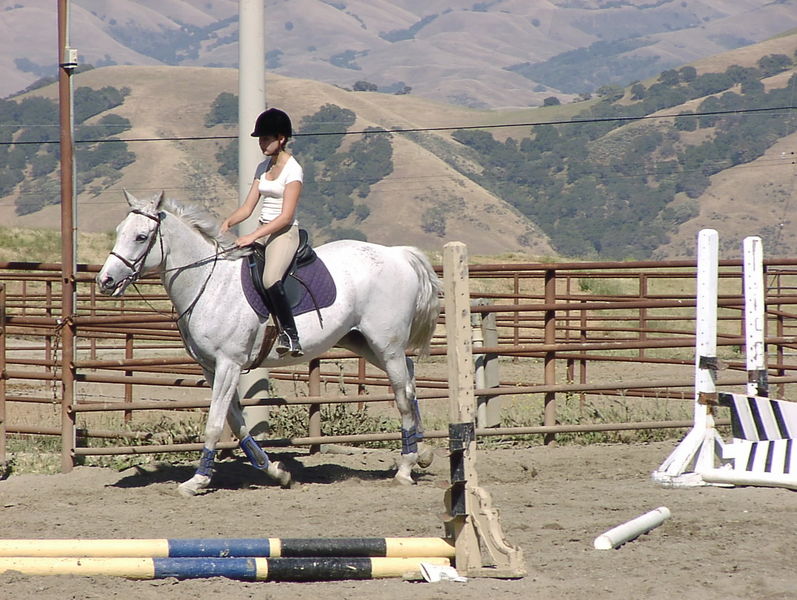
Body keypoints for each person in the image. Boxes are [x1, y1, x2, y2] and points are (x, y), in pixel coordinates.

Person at [221, 108, 304, 357]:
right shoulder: (262, 167)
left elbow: (286, 216)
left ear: (281, 138)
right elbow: (247, 208)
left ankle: (290, 335)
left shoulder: (294, 170)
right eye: (260, 139)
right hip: (262, 229)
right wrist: (226, 224)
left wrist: (252, 236)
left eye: (266, 139)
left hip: (284, 233)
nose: (261, 143)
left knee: (270, 279)